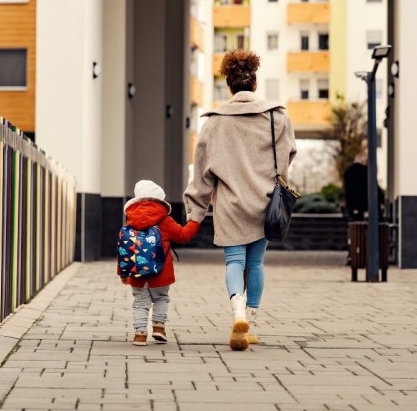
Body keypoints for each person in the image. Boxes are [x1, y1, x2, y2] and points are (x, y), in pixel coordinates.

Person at [184, 50, 296, 351]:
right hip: (265, 202)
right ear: (255, 85)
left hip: (230, 205)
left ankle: (237, 311)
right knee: (256, 262)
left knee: (235, 261)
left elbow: (202, 173)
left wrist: (195, 212)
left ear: (229, 87)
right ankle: (253, 323)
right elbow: (287, 158)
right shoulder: (277, 116)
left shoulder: (214, 123)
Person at [119, 180, 200, 346]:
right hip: (161, 272)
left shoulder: (130, 222)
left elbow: (123, 248)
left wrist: (123, 274)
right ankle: (158, 328)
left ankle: (140, 334)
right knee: (161, 298)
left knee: (140, 303)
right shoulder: (165, 220)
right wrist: (195, 221)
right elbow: (183, 236)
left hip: (136, 271)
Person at [343, 152, 369, 221]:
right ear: (363, 161)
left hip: (351, 202)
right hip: (364, 202)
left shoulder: (348, 171)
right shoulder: (366, 171)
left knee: (353, 221)